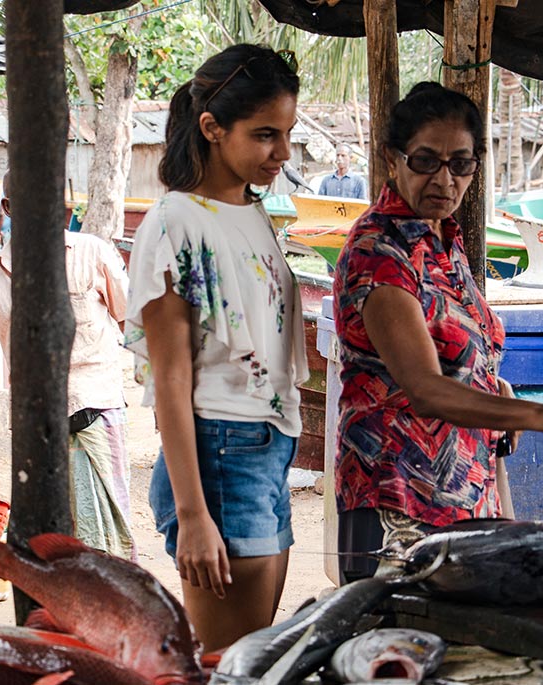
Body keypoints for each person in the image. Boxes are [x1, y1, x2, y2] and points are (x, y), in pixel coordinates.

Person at [333, 81, 543, 584]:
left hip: (466, 485)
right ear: (392, 159)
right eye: (426, 161)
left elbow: (462, 356)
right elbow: (423, 388)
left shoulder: (443, 240)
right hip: (400, 493)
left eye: (461, 163)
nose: (444, 179)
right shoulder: (380, 251)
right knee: (397, 650)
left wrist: (496, 389)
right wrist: (537, 413)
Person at [125, 44, 308, 652]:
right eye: (264, 135)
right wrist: (195, 516)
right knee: (226, 662)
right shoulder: (176, 223)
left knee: (251, 659)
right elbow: (172, 381)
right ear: (211, 128)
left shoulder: (252, 212)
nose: (281, 153)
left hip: (267, 448)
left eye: (286, 134)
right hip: (221, 454)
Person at [0, 172, 136, 560]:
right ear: (8, 207)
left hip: (96, 414)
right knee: (47, 540)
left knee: (106, 538)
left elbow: (134, 323)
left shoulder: (93, 253)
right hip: (34, 428)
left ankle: (109, 612)